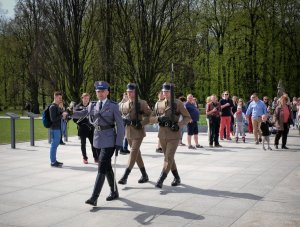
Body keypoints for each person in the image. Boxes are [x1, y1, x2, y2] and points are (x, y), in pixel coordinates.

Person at [71, 81, 125, 206]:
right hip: (97, 139)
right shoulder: (93, 105)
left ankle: (94, 197)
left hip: (109, 140)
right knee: (107, 167)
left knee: (101, 167)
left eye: (102, 91)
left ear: (107, 92)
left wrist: (119, 143)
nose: (100, 93)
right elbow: (83, 114)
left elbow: (120, 125)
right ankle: (114, 191)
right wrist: (69, 113)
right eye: (97, 91)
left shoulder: (113, 106)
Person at [150, 82, 191, 188]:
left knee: (168, 158)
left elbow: (187, 117)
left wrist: (179, 125)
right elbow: (150, 118)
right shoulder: (158, 104)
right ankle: (177, 177)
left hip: (174, 134)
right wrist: (158, 119)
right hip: (162, 135)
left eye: (167, 91)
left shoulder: (178, 103)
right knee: (169, 157)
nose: (165, 93)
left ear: (171, 92)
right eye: (164, 91)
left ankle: (161, 179)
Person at [118, 83, 152, 185]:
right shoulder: (124, 104)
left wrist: (141, 123)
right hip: (128, 132)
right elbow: (121, 116)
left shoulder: (142, 103)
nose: (129, 93)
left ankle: (125, 176)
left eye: (131, 92)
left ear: (135, 92)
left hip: (138, 131)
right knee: (137, 155)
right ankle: (144, 175)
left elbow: (151, 115)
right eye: (128, 92)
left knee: (133, 152)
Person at [73, 93, 98, 164]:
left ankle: (96, 158)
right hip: (82, 128)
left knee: (94, 144)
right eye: (85, 98)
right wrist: (81, 122)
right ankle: (85, 158)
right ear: (82, 98)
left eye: (88, 98)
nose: (86, 100)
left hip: (91, 128)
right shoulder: (78, 106)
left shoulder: (92, 106)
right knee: (83, 144)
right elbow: (75, 120)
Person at [49, 92, 68, 167]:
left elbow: (60, 116)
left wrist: (64, 114)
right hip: (54, 128)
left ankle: (54, 160)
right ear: (55, 97)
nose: (61, 99)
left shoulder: (57, 106)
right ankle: (53, 162)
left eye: (61, 98)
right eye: (59, 98)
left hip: (58, 128)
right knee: (54, 145)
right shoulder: (52, 107)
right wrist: (61, 115)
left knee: (55, 145)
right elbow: (53, 119)